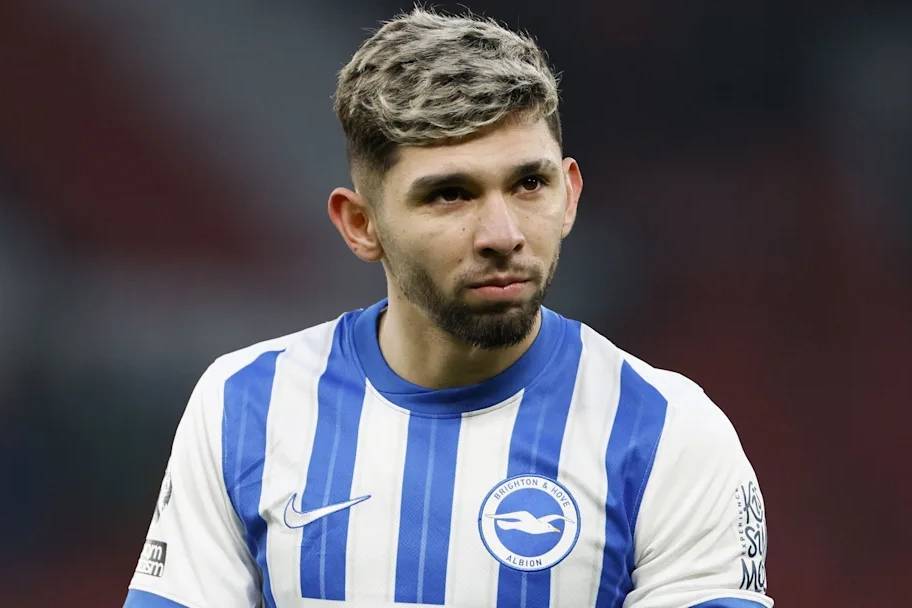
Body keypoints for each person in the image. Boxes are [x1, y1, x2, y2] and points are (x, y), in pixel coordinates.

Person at [124, 8, 771, 608]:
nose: (502, 235)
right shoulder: (244, 407)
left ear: (570, 195)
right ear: (361, 224)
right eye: (450, 195)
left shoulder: (667, 435)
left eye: (529, 183)